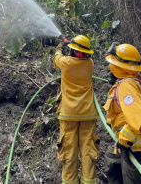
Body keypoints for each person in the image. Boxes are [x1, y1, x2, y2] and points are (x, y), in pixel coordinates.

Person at [103, 43, 141, 184]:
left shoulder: (127, 86)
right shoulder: (130, 82)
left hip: (133, 146)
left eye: (113, 63)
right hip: (127, 143)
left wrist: (125, 141)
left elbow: (137, 118)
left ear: (118, 67)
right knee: (111, 162)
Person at [53, 35, 99, 184]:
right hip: (88, 113)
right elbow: (77, 57)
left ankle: (70, 180)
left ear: (72, 51)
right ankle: (89, 181)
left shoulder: (65, 63)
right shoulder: (90, 64)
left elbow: (56, 59)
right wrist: (71, 46)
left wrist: (60, 47)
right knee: (87, 149)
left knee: (69, 150)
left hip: (68, 114)